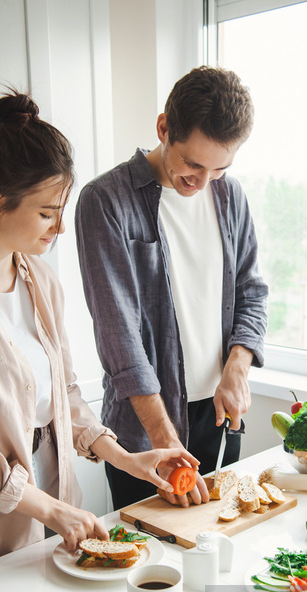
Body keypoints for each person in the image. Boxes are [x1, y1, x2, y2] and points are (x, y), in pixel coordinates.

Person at [0, 91, 198, 584]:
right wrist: (48, 510)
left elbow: (64, 393)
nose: (59, 227)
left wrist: (125, 458)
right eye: (46, 212)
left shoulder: (40, 279)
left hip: (51, 508)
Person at [75, 66, 268, 511]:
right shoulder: (105, 201)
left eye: (219, 168)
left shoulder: (230, 195)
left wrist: (238, 366)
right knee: (149, 566)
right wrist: (166, 444)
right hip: (147, 432)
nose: (201, 182)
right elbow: (118, 336)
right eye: (192, 163)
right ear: (164, 128)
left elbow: (252, 291)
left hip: (218, 418)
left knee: (216, 553)